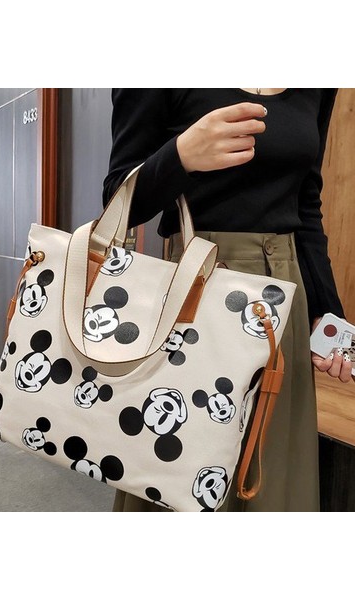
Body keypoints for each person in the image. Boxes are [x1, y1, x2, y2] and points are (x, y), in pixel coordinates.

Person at [102, 88, 353, 512]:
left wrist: (327, 313)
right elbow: (118, 198)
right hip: (196, 292)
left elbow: (306, 203)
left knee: (272, 470)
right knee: (181, 464)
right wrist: (181, 155)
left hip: (284, 298)